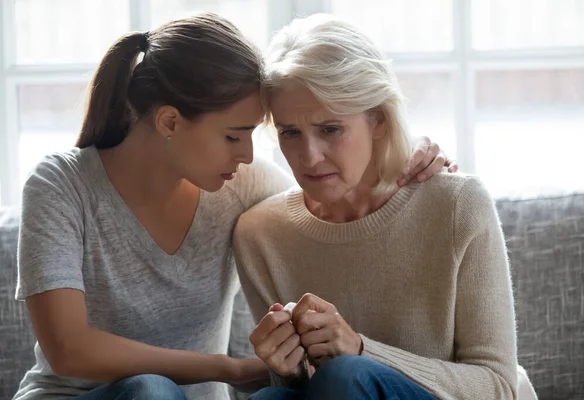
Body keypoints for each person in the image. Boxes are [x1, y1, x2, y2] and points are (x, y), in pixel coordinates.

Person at [13, 13, 454, 400]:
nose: (247, 154)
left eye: (253, 135)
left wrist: (402, 151)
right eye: (233, 135)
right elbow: (69, 350)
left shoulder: (241, 185)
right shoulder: (60, 185)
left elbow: (335, 201)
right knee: (151, 390)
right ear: (169, 121)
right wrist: (230, 369)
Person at [233, 14, 538, 400]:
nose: (308, 157)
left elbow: (499, 386)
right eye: (289, 132)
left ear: (377, 118)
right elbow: (303, 391)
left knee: (345, 376)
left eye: (330, 129)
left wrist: (361, 350)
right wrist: (289, 370)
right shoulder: (260, 234)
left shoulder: (458, 205)